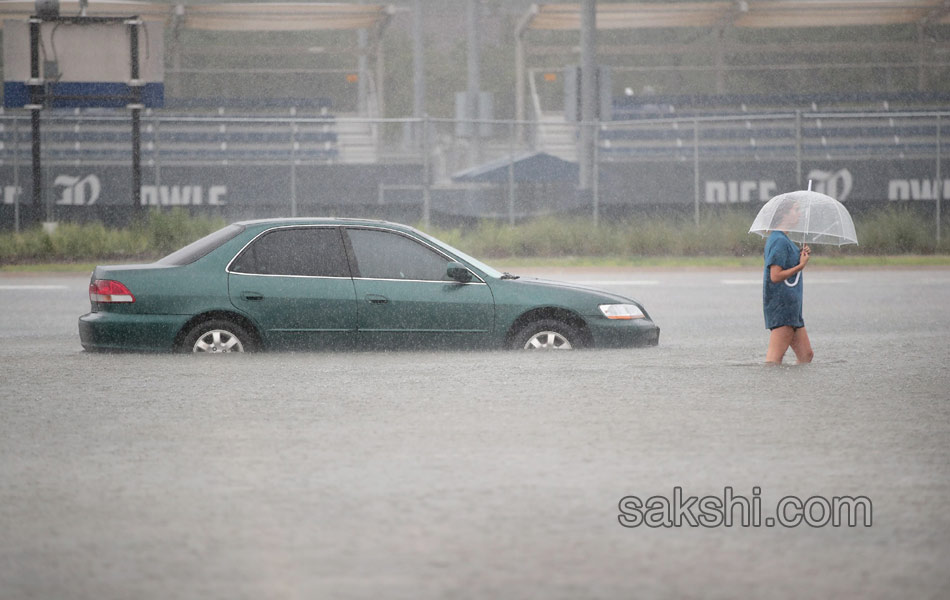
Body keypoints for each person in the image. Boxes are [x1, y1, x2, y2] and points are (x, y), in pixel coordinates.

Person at [762, 200, 813, 365]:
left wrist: (799, 255)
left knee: (806, 356)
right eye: (796, 210)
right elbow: (775, 276)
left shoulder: (784, 240)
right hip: (782, 308)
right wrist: (801, 265)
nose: (799, 214)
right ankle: (772, 390)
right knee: (774, 361)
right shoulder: (779, 240)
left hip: (792, 309)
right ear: (784, 214)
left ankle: (793, 389)